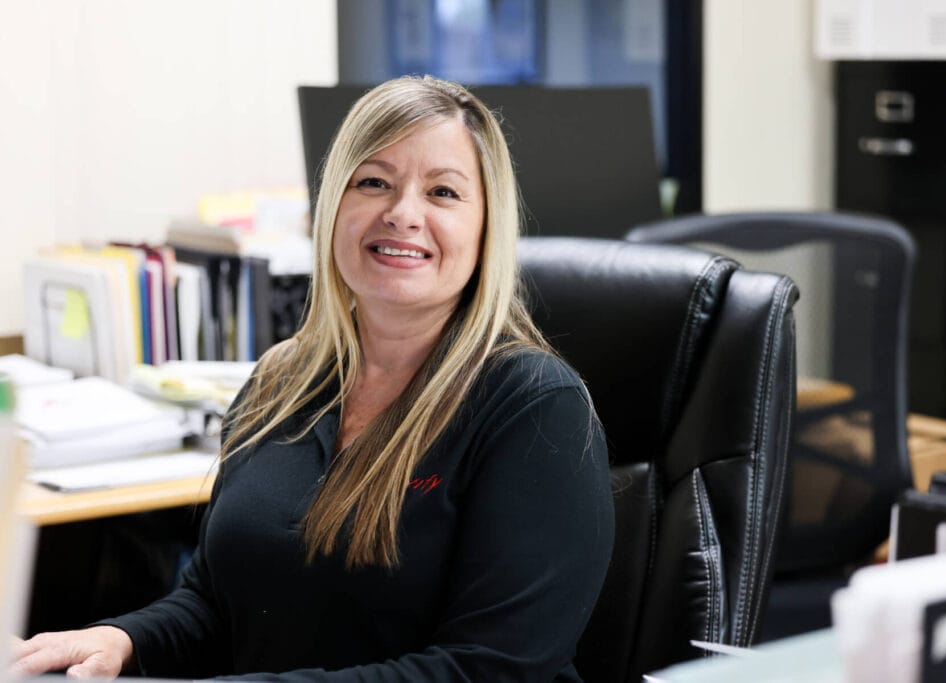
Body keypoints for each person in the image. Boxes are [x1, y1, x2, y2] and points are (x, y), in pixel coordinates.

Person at [11, 76, 614, 681]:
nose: (403, 214)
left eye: (443, 192)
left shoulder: (534, 408)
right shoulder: (282, 381)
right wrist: (121, 640)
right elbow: (217, 602)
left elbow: (491, 670)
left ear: (487, 228)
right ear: (332, 208)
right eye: (373, 182)